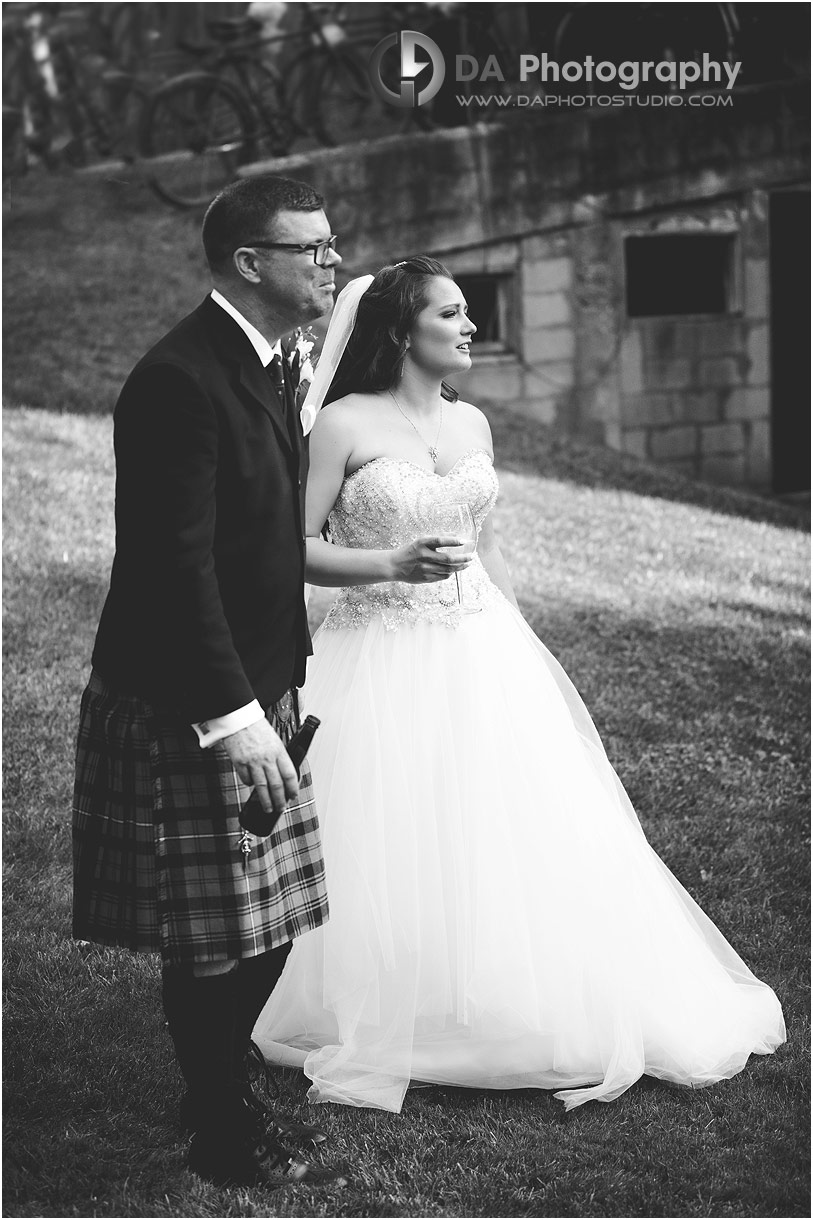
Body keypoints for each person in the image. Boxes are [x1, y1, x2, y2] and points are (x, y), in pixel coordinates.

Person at [252, 258, 786, 1114]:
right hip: (381, 648)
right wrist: (388, 564)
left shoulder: (473, 426)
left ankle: (506, 992)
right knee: (391, 828)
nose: (469, 327)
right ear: (401, 330)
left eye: (468, 313)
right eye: (452, 314)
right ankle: (394, 999)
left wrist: (518, 633)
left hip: (481, 645)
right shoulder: (344, 422)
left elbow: (486, 542)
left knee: (505, 822)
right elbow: (288, 549)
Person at [72, 175, 349, 1188]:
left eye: (331, 244)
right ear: (250, 264)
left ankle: (218, 1082)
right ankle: (222, 1129)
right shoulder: (177, 380)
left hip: (259, 676)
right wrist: (233, 720)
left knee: (270, 919)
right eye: (310, 248)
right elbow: (170, 565)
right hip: (194, 693)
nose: (330, 260)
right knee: (217, 934)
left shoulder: (271, 360)